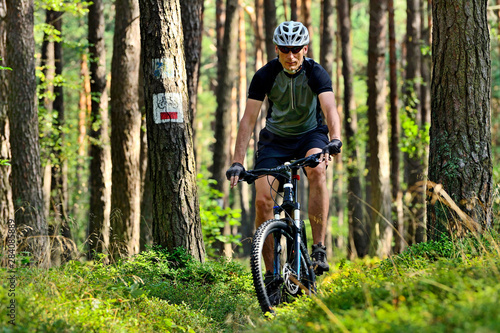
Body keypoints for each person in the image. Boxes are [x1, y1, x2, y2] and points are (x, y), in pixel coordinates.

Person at [226, 21, 342, 280]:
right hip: (274, 142)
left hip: (310, 135)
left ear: (305, 48)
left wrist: (335, 138)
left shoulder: (316, 73)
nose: (291, 55)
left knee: (317, 170)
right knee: (262, 199)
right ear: (277, 49)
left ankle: (319, 248)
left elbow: (330, 108)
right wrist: (237, 161)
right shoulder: (265, 75)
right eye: (285, 49)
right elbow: (248, 119)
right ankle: (269, 275)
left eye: (296, 49)